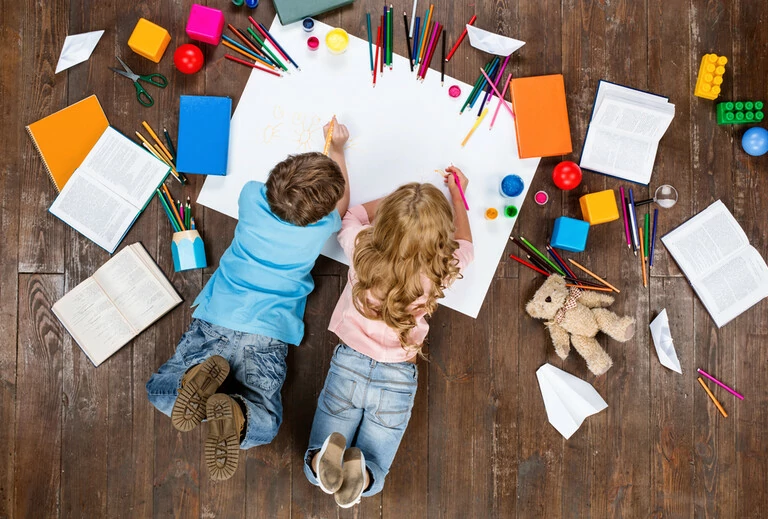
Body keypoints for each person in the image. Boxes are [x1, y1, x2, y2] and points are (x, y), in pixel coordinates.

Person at [146, 118, 350, 481]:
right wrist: (337, 150)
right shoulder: (324, 226)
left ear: (273, 183)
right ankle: (233, 413)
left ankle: (208, 389)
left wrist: (322, 155)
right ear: (320, 216)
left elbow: (296, 192)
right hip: (267, 335)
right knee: (262, 423)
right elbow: (343, 204)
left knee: (163, 392)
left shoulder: (251, 195)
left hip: (219, 317)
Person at [303, 168, 474, 507]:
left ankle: (322, 463)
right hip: (397, 377)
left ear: (385, 223)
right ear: (441, 236)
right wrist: (456, 195)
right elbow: (466, 244)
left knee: (320, 451)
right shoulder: (443, 265)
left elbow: (351, 214)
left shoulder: (362, 247)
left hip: (349, 365)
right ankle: (362, 476)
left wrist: (401, 201)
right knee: (376, 463)